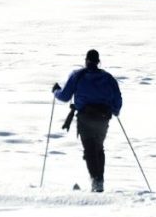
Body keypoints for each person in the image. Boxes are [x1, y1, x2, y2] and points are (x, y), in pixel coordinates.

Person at [52, 49, 122, 192]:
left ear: (86, 60)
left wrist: (55, 91)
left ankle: (96, 182)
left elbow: (65, 96)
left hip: (85, 117)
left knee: (89, 149)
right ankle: (99, 181)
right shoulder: (108, 78)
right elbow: (117, 98)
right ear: (98, 61)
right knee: (98, 148)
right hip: (103, 118)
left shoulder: (78, 75)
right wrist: (115, 110)